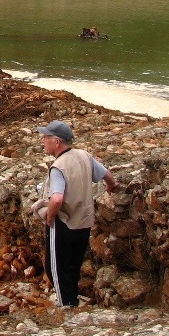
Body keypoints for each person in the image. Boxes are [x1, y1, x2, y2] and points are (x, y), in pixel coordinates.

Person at [37, 120, 119, 307]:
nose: (42, 141)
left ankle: (66, 305)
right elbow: (106, 174)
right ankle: (72, 299)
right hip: (84, 221)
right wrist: (111, 185)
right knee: (74, 264)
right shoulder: (84, 155)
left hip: (64, 222)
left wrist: (49, 217)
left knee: (56, 268)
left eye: (45, 138)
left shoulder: (58, 167)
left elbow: (57, 199)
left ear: (57, 142)